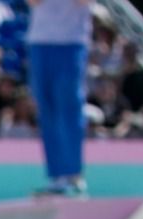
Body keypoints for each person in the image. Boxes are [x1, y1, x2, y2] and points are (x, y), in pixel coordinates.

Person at [26, 0, 93, 196]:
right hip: (40, 41)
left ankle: (73, 174)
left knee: (69, 107)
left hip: (71, 42)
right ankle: (56, 176)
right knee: (47, 110)